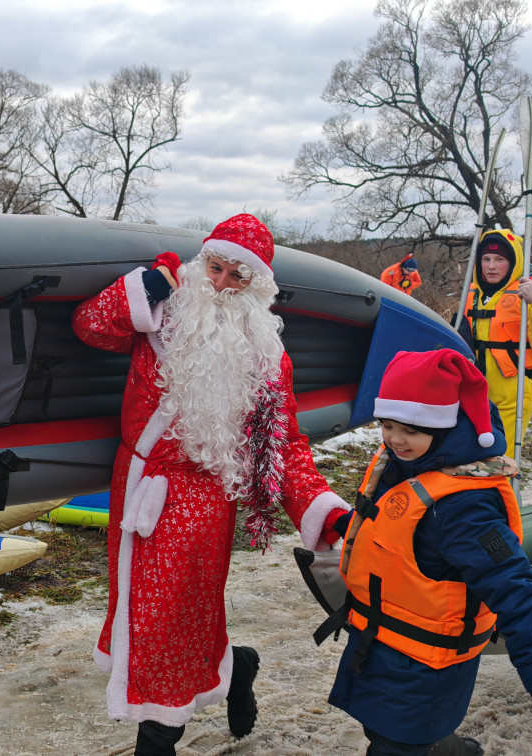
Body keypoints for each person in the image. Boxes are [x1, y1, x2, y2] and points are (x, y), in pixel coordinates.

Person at [72, 213, 352, 755]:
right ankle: (236, 664)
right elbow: (90, 326)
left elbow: (285, 446)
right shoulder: (164, 314)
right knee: (156, 616)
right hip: (139, 490)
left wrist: (325, 513)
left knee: (164, 624)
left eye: (237, 277)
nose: (222, 284)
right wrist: (146, 284)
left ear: (257, 286)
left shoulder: (269, 356)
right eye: (216, 268)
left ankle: (158, 741)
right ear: (203, 265)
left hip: (204, 503)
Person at [322, 349, 532, 756]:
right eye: (387, 425)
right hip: (381, 643)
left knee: (398, 742)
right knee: (387, 732)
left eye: (411, 429)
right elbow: (394, 530)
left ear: (444, 427)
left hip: (424, 664)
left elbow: (513, 586)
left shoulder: (465, 508)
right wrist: (340, 523)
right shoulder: (405, 465)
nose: (395, 439)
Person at [458, 229, 532, 456]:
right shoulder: (471, 292)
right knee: (471, 458)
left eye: (499, 259)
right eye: (486, 259)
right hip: (474, 390)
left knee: (499, 458)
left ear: (513, 262)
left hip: (513, 393)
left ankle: (504, 492)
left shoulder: (531, 293)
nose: (491, 266)